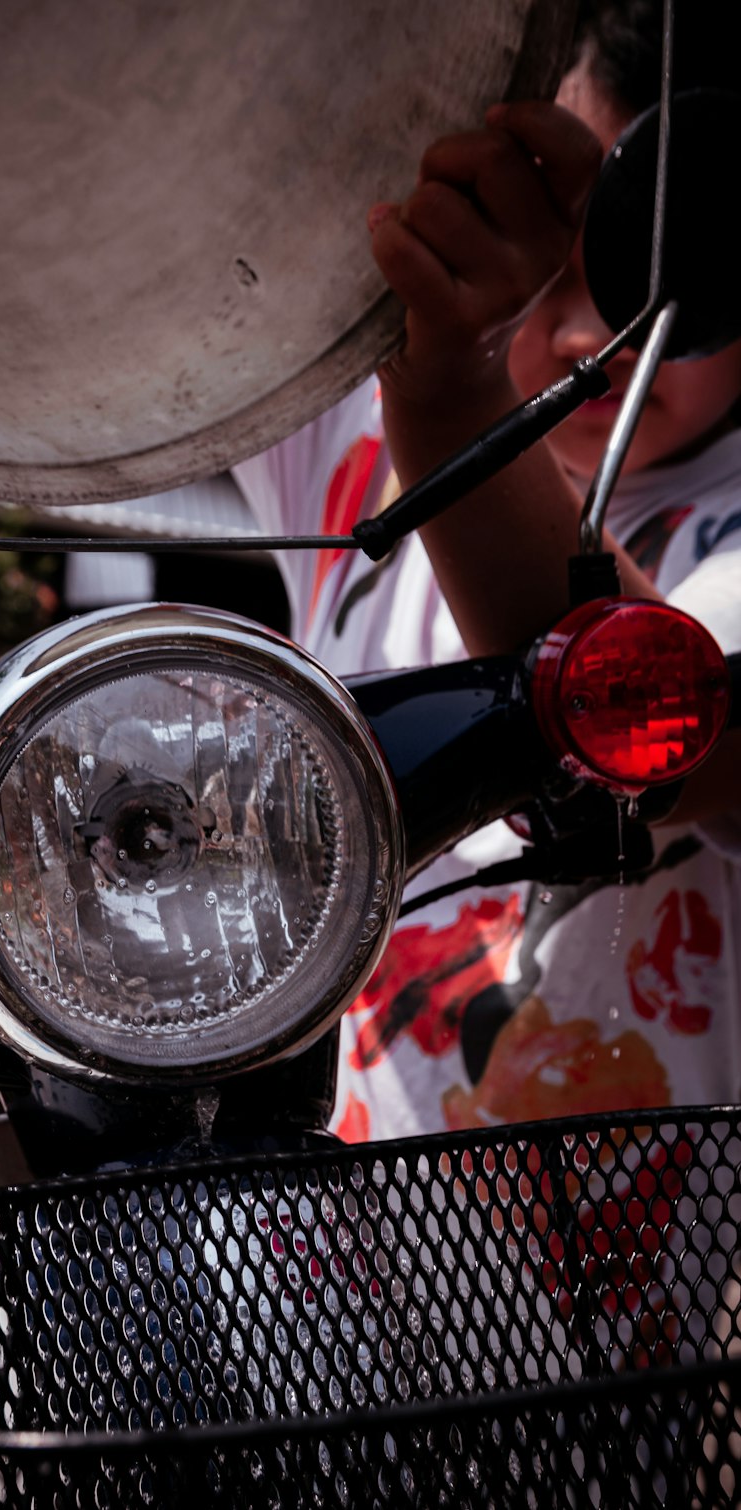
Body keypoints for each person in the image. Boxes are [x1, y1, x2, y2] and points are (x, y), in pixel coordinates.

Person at [232, 0, 741, 1140]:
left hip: (593, 1305)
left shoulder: (727, 535)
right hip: (299, 1270)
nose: (577, 334)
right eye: (532, 270)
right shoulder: (355, 443)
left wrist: (456, 386)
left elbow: (636, 718)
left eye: (653, 269)